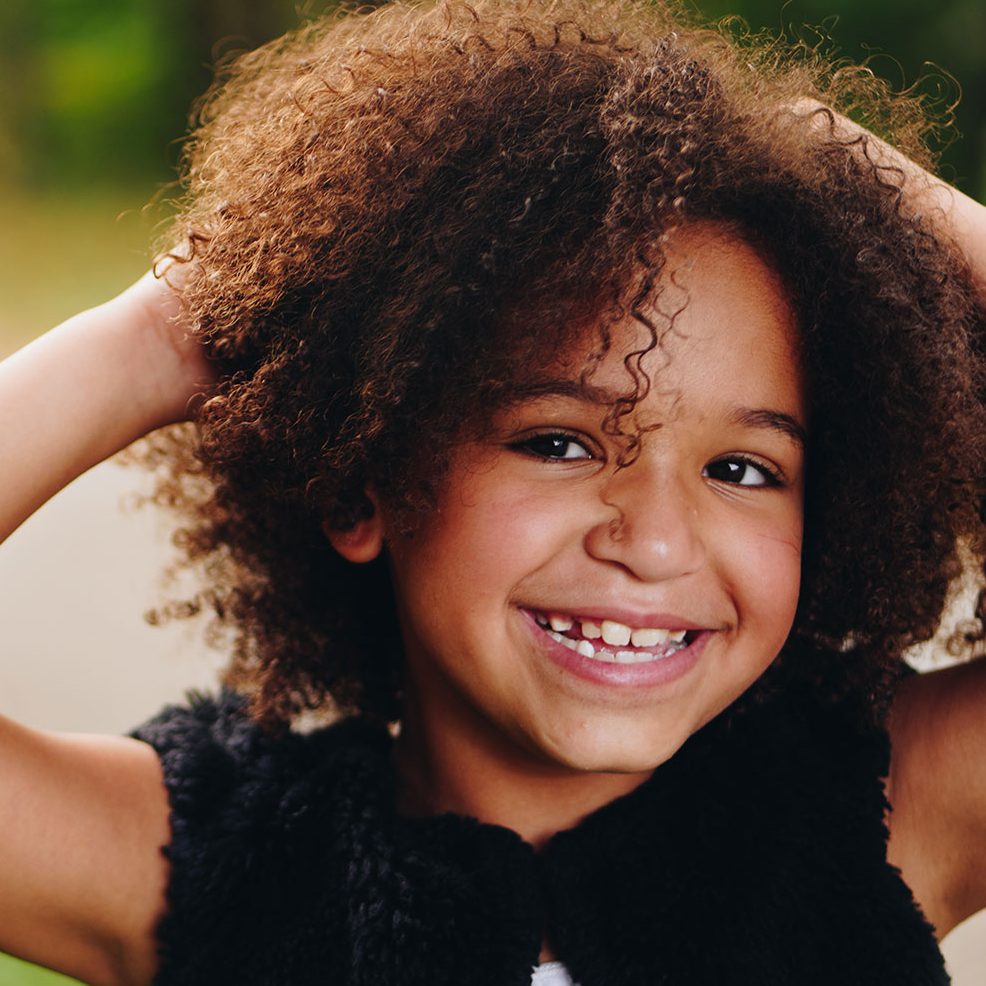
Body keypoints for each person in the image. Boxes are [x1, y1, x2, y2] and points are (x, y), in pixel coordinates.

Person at [1, 1, 984, 984]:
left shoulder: (873, 812)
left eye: (741, 469)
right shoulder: (216, 860)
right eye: (557, 442)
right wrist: (162, 339)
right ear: (359, 483)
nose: (653, 542)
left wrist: (882, 191)